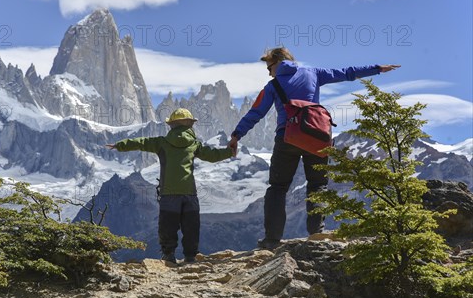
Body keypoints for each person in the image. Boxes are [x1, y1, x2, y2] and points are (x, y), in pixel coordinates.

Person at [228, 47, 400, 250]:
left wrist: (237, 135)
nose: (269, 72)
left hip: (287, 138)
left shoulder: (272, 86)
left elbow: (256, 112)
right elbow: (347, 73)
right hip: (316, 136)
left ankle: (272, 240)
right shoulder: (313, 73)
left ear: (277, 62)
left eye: (269, 67)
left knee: (278, 188)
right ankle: (317, 233)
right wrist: (376, 69)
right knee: (318, 186)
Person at [107, 108, 233, 264]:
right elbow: (213, 156)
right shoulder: (194, 145)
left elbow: (141, 143)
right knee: (191, 226)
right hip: (189, 193)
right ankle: (190, 256)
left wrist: (120, 145)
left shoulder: (162, 143)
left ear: (172, 125)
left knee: (168, 226)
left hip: (168, 194)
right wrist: (230, 152)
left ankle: (168, 255)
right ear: (190, 125)